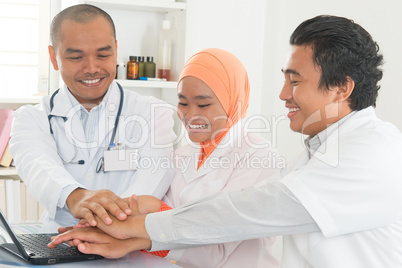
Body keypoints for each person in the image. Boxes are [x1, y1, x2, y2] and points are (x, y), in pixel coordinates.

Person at [49, 15, 402, 267]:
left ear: (343, 87)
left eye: (294, 81)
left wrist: (139, 226)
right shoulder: (313, 156)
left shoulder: (373, 152)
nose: (282, 94)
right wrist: (125, 220)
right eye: (182, 102)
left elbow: (250, 211)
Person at [56, 48, 283, 267]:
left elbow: (214, 252)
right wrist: (104, 227)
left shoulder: (259, 160)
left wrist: (150, 212)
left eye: (203, 104)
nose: (191, 114)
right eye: (183, 103)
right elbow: (167, 228)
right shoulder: (183, 155)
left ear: (233, 101)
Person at [9, 4, 176, 230]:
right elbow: (38, 166)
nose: (91, 68)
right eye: (76, 57)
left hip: (128, 248)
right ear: (54, 57)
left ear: (116, 50)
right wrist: (75, 196)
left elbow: (151, 182)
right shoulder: (30, 119)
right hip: (57, 242)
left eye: (103, 55)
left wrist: (108, 223)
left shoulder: (153, 113)